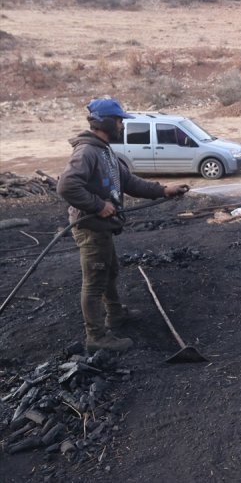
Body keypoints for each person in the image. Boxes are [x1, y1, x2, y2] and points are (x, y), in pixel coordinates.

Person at [57, 98, 190, 353]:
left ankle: (115, 315)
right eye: (119, 121)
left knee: (110, 272)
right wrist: (97, 205)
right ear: (106, 122)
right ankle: (96, 336)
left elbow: (128, 182)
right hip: (91, 228)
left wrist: (164, 190)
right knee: (95, 281)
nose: (122, 126)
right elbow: (66, 185)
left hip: (102, 228)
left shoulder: (104, 150)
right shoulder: (87, 152)